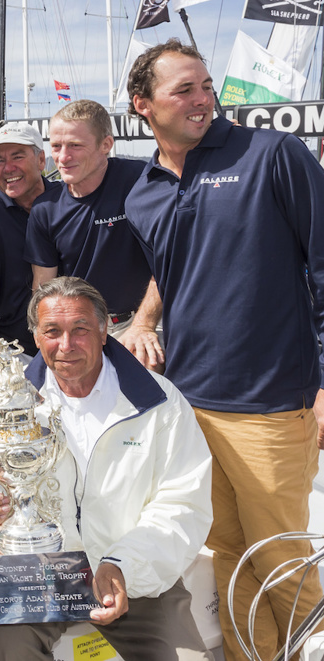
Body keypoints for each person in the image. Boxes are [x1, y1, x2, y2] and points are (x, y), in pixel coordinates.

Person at [125, 39, 324, 660]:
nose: (202, 99)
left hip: (271, 405)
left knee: (282, 560)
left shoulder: (273, 154)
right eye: (183, 89)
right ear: (143, 105)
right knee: (229, 559)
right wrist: (143, 319)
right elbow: (178, 274)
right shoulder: (142, 193)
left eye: (206, 86)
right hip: (189, 407)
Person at [0, 276, 213, 661]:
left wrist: (122, 565)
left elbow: (183, 504)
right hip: (40, 576)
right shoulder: (12, 405)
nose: (66, 345)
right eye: (52, 331)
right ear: (36, 337)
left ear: (103, 332)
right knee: (7, 650)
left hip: (134, 575)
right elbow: (2, 492)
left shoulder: (159, 402)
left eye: (80, 329)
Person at [24, 99, 163, 367]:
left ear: (106, 145)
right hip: (79, 328)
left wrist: (143, 325)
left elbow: (170, 259)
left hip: (143, 320)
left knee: (147, 368)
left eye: (75, 145)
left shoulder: (142, 181)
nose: (63, 157)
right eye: (56, 146)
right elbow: (43, 290)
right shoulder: (45, 210)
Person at [0, 122, 60, 356]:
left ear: (41, 160)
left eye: (17, 156)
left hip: (74, 342)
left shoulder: (67, 204)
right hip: (16, 352)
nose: (8, 168)